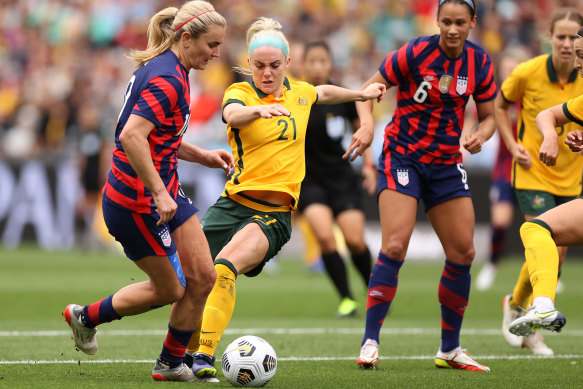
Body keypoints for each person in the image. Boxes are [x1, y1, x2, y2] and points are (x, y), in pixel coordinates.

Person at [182, 17, 386, 380]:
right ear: (249, 64)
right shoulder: (240, 94)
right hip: (232, 205)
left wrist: (361, 94)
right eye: (258, 66)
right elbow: (232, 114)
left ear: (288, 64)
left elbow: (324, 93)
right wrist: (257, 110)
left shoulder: (301, 93)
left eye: (274, 65)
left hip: (273, 215)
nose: (266, 73)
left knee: (224, 268)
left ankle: (203, 356)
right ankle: (174, 352)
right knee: (186, 280)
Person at [61, 2, 234, 382]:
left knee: (204, 277)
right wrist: (158, 192)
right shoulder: (167, 78)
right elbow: (131, 135)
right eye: (212, 44)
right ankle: (84, 317)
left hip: (164, 190)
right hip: (135, 202)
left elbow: (160, 135)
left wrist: (201, 155)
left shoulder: (171, 69)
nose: (217, 53)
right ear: (186, 38)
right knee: (171, 289)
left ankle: (172, 363)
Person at [348, 0, 496, 372]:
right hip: (403, 156)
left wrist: (480, 133)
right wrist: (366, 125)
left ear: (473, 23)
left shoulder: (479, 63)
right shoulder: (414, 52)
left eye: (460, 22)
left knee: (463, 252)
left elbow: (491, 115)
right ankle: (370, 341)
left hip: (446, 164)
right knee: (395, 245)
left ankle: (449, 349)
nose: (452, 29)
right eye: (446, 21)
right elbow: (368, 91)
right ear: (437, 20)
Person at [497, 8, 583, 356]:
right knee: (543, 236)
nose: (567, 46)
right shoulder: (527, 72)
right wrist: (512, 143)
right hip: (533, 170)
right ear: (549, 36)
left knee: (553, 252)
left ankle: (518, 303)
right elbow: (500, 107)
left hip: (570, 176)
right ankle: (533, 316)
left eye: (574, 40)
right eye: (561, 37)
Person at [298, 41, 376, 318]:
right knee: (325, 239)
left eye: (323, 61)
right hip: (309, 181)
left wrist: (369, 166)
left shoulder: (342, 96)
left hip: (342, 177)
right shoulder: (296, 97)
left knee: (355, 241)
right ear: (302, 64)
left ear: (331, 64)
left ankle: (374, 292)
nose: (317, 67)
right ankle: (346, 299)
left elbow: (363, 131)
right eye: (312, 61)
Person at [475, 49, 529, 292]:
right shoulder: (497, 98)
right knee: (500, 221)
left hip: (532, 170)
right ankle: (493, 264)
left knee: (540, 226)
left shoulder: (532, 97)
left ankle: (549, 273)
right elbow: (479, 119)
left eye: (514, 69)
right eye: (506, 70)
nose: (509, 74)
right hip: (505, 170)